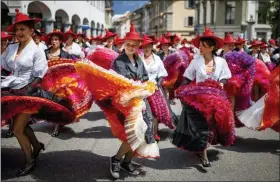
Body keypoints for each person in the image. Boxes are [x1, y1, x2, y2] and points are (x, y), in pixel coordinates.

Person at [172, 27, 234, 167]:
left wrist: (222, 83)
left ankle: (202, 146)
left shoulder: (221, 62)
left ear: (211, 47)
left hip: (216, 98)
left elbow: (226, 77)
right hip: (198, 98)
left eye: (203, 45)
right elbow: (187, 77)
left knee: (212, 125)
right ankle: (204, 153)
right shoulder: (196, 61)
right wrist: (181, 89)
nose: (199, 47)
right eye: (199, 45)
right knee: (202, 125)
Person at [1, 9, 48, 176]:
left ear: (31, 30)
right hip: (10, 89)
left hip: (28, 92)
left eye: (23, 29)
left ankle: (29, 161)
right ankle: (37, 145)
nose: (19, 33)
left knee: (17, 129)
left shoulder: (37, 50)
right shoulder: (11, 47)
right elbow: (5, 67)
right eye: (17, 30)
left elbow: (38, 76)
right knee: (19, 125)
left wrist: (24, 93)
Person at [110, 23, 159, 179]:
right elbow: (124, 84)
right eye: (128, 44)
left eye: (134, 45)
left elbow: (144, 77)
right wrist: (139, 87)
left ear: (138, 45)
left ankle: (127, 162)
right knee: (134, 134)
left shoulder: (139, 60)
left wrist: (147, 86)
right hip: (128, 103)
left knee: (142, 133)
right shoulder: (119, 61)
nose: (130, 47)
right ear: (124, 44)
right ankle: (116, 160)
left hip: (141, 101)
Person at [140, 34, 174, 141]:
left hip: (154, 89)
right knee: (143, 112)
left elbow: (162, 73)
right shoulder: (139, 59)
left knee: (154, 113)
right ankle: (143, 133)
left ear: (152, 47)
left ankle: (154, 133)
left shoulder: (157, 58)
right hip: (141, 89)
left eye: (148, 46)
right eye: (144, 47)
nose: (146, 49)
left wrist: (157, 84)